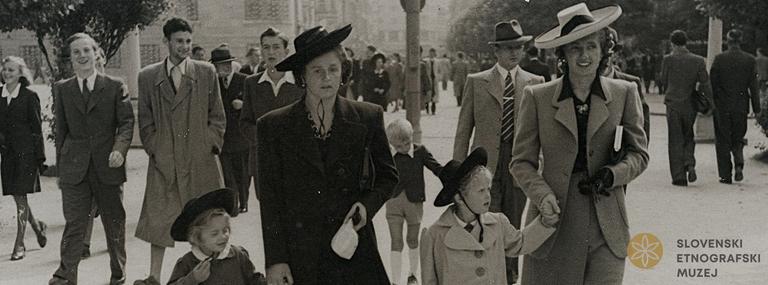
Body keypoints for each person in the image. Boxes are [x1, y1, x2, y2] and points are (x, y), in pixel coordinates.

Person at [513, 4, 649, 284]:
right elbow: (521, 163)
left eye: (591, 47)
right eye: (575, 49)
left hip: (607, 222)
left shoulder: (625, 93)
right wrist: (542, 195)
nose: (584, 56)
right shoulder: (537, 97)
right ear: (562, 54)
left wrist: (613, 174)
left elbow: (639, 154)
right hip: (554, 220)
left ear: (603, 52)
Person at [257, 24, 399, 284]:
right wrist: (276, 260)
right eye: (317, 71)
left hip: (352, 246)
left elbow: (388, 177)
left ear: (343, 72)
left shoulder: (368, 116)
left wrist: (366, 207)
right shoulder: (272, 126)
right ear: (302, 76)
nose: (326, 78)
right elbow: (269, 197)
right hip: (301, 252)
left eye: (333, 69)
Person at [452, 19, 544, 284]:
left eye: (518, 47)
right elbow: (463, 130)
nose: (513, 52)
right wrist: (458, 172)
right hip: (484, 164)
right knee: (487, 218)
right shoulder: (477, 81)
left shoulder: (535, 82)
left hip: (520, 163)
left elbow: (542, 131)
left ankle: (510, 275)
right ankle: (489, 273)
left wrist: (541, 164)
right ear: (495, 51)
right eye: (506, 48)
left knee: (514, 221)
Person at [135, 18, 226, 285]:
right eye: (179, 41)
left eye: (188, 41)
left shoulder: (206, 72)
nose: (184, 47)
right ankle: (154, 276)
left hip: (199, 161)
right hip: (165, 161)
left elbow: (217, 116)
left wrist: (208, 145)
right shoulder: (148, 76)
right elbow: (146, 120)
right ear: (167, 42)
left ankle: (212, 274)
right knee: (160, 222)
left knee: (206, 221)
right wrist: (155, 149)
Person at [49, 33, 135, 285]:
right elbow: (61, 131)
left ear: (96, 54)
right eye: (76, 52)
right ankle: (65, 276)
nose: (82, 56)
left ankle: (118, 276)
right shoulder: (62, 89)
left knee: (114, 223)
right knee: (74, 224)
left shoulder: (114, 85)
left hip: (108, 165)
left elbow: (127, 123)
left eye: (87, 50)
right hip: (75, 169)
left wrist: (119, 149)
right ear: (71, 59)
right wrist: (62, 170)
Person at [421, 148, 556, 285]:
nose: (488, 196)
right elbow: (429, 281)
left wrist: (546, 222)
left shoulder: (497, 223)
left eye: (488, 189)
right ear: (459, 198)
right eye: (480, 191)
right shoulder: (434, 235)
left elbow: (521, 243)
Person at [239, 27, 304, 200]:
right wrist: (264, 138)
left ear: (286, 51)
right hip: (263, 162)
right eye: (266, 47)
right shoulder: (251, 83)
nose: (271, 52)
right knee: (269, 218)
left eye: (276, 47)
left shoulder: (300, 83)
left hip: (295, 162)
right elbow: (245, 122)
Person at [384, 119, 442, 285]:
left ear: (412, 137)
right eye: (398, 146)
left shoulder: (420, 151)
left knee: (412, 239)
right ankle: (395, 280)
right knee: (396, 241)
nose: (404, 148)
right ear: (392, 144)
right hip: (393, 202)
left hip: (415, 202)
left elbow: (436, 167)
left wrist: (450, 175)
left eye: (407, 143)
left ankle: (412, 274)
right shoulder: (389, 156)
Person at [1, 56, 47, 261]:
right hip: (7, 155)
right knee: (18, 197)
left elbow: (37, 130)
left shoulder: (29, 96)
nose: (7, 73)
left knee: (21, 198)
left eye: (11, 70)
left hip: (26, 155)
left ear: (20, 73)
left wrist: (41, 159)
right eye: (4, 70)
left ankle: (20, 244)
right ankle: (37, 227)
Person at [167, 188, 266, 285]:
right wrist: (192, 279)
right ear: (197, 237)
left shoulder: (238, 255)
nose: (223, 236)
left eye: (225, 230)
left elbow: (255, 280)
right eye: (214, 233)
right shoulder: (187, 262)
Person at [659, 29, 712, 186]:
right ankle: (689, 162)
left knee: (675, 138)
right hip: (690, 104)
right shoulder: (698, 60)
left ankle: (678, 176)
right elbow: (705, 82)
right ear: (686, 42)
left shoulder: (668, 59)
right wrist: (709, 102)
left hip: (673, 103)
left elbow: (663, 80)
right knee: (688, 135)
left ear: (672, 43)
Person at [709, 29, 761, 184]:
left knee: (723, 139)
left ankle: (725, 174)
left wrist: (711, 104)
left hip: (722, 106)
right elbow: (754, 86)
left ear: (727, 40)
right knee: (738, 136)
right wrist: (756, 108)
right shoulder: (750, 60)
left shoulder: (719, 59)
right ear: (741, 40)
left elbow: (712, 84)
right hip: (741, 105)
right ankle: (739, 163)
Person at [210, 46, 250, 212]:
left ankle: (244, 202)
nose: (225, 67)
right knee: (227, 173)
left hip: (241, 137)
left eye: (227, 63)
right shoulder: (214, 84)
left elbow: (254, 105)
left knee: (242, 173)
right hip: (222, 138)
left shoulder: (245, 80)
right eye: (221, 65)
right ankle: (232, 206)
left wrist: (243, 105)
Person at [603, 27, 650, 141]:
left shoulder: (631, 83)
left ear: (616, 54)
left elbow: (643, 130)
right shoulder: (583, 83)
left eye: (608, 52)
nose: (603, 57)